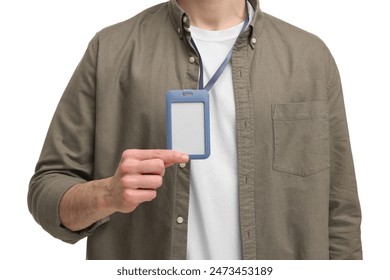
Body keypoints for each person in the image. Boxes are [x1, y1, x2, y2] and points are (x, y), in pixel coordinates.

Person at [28, 0, 362, 260]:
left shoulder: (310, 58)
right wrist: (108, 195)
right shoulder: (110, 51)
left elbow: (340, 213)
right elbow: (46, 191)